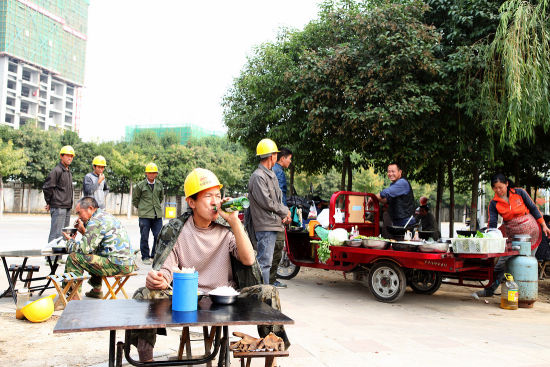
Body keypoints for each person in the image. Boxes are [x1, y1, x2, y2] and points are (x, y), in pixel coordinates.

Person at [130, 168, 289, 362]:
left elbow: (248, 260)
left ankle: (272, 360)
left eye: (218, 195)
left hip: (226, 299)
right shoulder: (175, 230)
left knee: (268, 292)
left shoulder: (227, 228)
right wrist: (157, 279)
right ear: (192, 202)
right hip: (188, 299)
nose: (215, 201)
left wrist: (235, 222)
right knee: (143, 294)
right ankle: (146, 360)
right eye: (208, 196)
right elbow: (166, 269)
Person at [474, 173, 550, 297]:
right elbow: (492, 223)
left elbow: (533, 208)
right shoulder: (494, 203)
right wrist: (490, 237)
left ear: (507, 184)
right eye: (495, 188)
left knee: (527, 264)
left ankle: (524, 295)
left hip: (532, 234)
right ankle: (490, 290)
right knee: (501, 264)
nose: (498, 190)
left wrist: (544, 225)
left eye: (501, 187)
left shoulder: (520, 193)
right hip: (512, 236)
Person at [62, 197, 135, 298]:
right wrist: (84, 231)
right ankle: (96, 290)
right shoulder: (105, 216)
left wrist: (70, 241)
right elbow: (94, 246)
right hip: (127, 263)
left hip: (117, 264)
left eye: (79, 213)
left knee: (74, 257)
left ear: (90, 209)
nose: (78, 217)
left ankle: (72, 296)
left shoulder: (96, 221)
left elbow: (83, 250)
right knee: (93, 256)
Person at [248, 139, 291, 284]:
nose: (276, 157)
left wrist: (284, 214)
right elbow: (267, 202)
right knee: (264, 263)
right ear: (271, 156)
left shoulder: (270, 174)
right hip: (265, 225)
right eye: (275, 154)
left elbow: (277, 199)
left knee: (267, 262)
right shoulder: (258, 176)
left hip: (272, 223)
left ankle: (264, 293)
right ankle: (262, 295)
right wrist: (284, 211)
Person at [132, 162, 164, 265]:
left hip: (157, 215)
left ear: (156, 174)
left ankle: (154, 255)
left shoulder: (159, 184)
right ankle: (145, 256)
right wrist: (142, 208)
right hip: (145, 215)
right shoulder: (140, 185)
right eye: (149, 173)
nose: (151, 175)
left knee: (158, 235)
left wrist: (155, 206)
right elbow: (135, 200)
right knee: (144, 236)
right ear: (146, 173)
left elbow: (160, 198)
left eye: (153, 173)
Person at [270, 147, 293, 289]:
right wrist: (285, 213)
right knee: (277, 247)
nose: (290, 161)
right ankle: (271, 280)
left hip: (270, 216)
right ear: (282, 158)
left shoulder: (272, 171)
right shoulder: (278, 172)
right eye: (289, 158)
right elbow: (280, 196)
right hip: (276, 216)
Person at [43, 145, 75, 243]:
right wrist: (49, 202)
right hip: (58, 207)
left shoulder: (68, 171)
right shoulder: (56, 170)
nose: (69, 158)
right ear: (61, 156)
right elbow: (47, 187)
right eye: (67, 155)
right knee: (56, 234)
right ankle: (51, 258)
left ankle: (58, 258)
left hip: (66, 207)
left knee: (63, 235)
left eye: (71, 156)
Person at [371, 163, 416, 228]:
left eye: (393, 171)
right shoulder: (393, 185)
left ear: (400, 172)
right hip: (397, 222)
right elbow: (385, 200)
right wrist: (375, 198)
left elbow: (384, 193)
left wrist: (372, 197)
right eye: (389, 171)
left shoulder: (402, 183)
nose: (390, 174)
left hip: (406, 223)